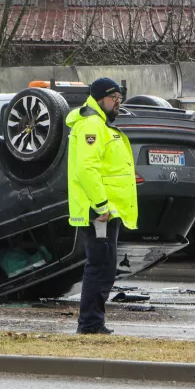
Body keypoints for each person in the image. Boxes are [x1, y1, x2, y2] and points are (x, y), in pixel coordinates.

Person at [66, 77, 138, 334]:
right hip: (100, 214)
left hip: (105, 212)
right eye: (113, 98)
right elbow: (87, 170)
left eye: (120, 98)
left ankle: (93, 323)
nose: (118, 102)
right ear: (99, 99)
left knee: (104, 266)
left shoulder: (100, 124)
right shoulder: (92, 124)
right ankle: (91, 324)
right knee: (100, 266)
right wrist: (101, 205)